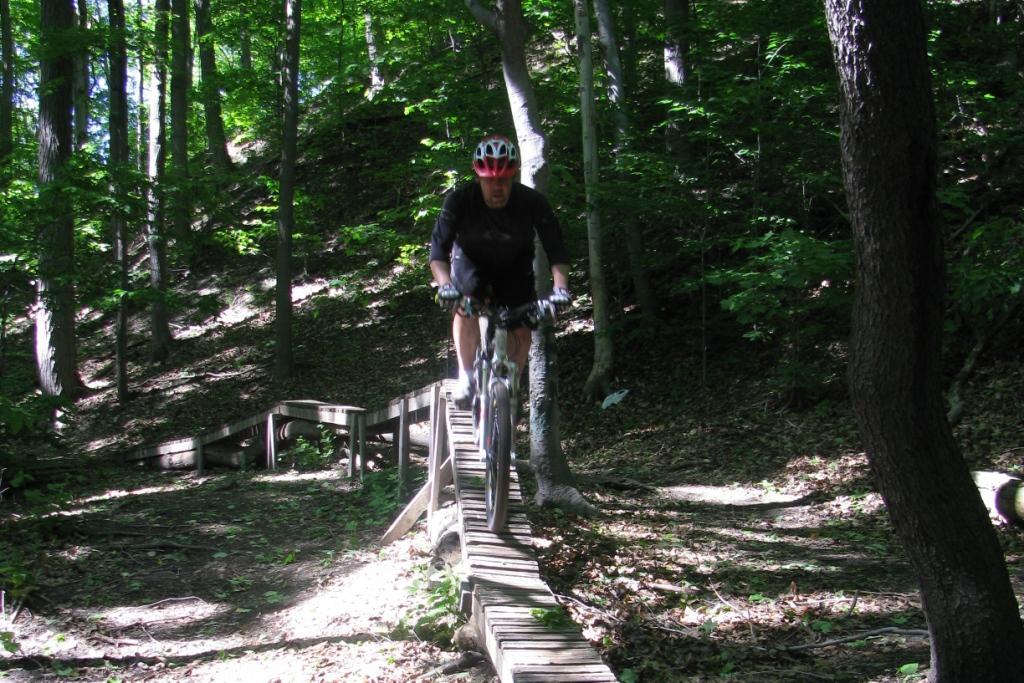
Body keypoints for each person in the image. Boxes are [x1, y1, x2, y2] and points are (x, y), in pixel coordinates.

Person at [429, 134, 571, 407]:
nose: (497, 187)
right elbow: (437, 252)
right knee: (465, 304)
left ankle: (512, 388)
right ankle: (467, 375)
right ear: (478, 176)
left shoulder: (531, 203)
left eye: (504, 180)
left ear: (514, 177)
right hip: (471, 264)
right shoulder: (459, 201)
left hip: (514, 266)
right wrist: (445, 285)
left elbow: (557, 248)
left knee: (522, 322)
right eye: (490, 180)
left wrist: (560, 288)